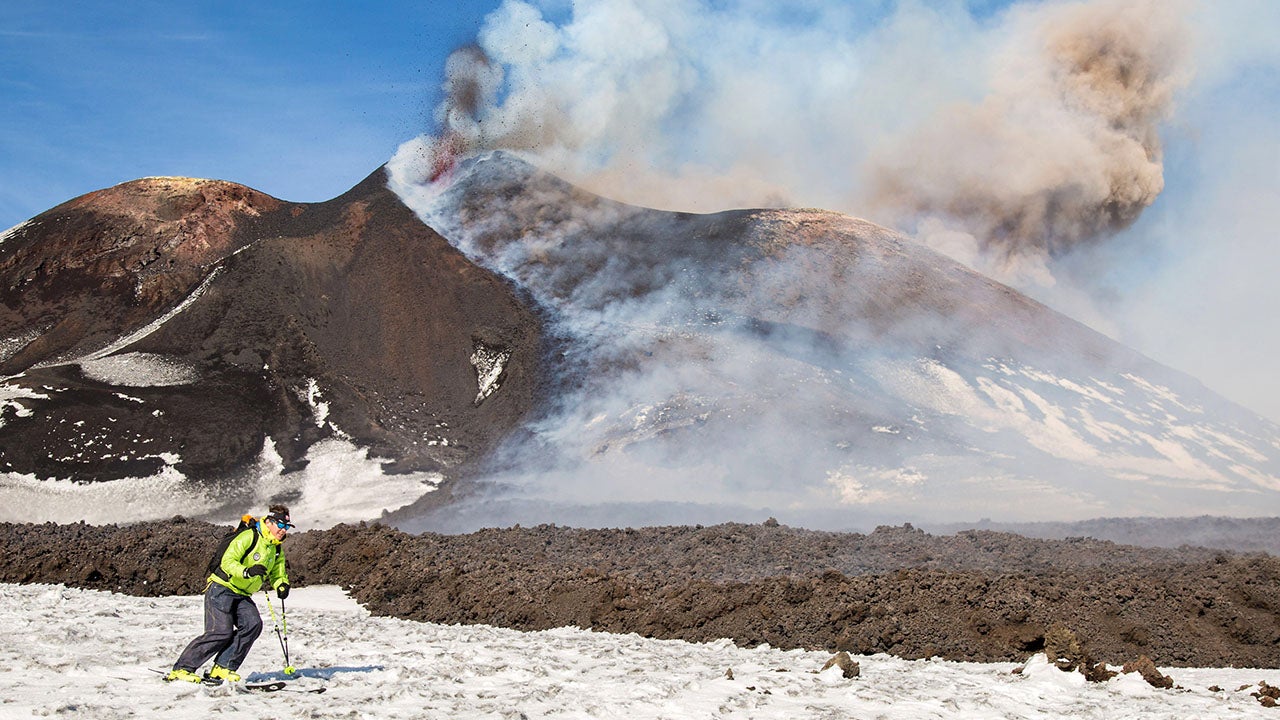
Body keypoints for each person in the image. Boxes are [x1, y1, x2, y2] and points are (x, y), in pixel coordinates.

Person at [165, 504, 293, 684]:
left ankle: (223, 668)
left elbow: (278, 573)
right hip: (222, 588)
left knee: (252, 624)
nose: (283, 530)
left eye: (287, 527)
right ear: (270, 522)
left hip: (242, 593)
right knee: (220, 631)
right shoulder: (249, 537)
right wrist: (247, 572)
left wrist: (281, 584)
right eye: (281, 525)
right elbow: (228, 562)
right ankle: (182, 669)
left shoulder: (276, 548)